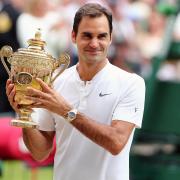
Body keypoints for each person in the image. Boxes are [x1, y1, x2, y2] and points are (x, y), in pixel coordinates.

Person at [6, 3, 145, 180]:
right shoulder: (56, 81)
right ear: (73, 36)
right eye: (87, 36)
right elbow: (40, 152)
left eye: (101, 36)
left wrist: (67, 111)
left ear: (110, 38)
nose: (94, 43)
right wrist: (23, 113)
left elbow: (116, 142)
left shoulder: (131, 83)